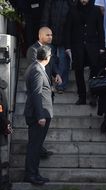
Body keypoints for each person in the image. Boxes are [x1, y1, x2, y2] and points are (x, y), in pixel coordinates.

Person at [26, 27, 61, 159]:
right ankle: (35, 156)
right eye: (48, 35)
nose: (50, 37)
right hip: (40, 95)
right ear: (40, 35)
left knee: (40, 133)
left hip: (47, 96)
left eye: (51, 35)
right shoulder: (33, 50)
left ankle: (39, 149)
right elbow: (36, 70)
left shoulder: (49, 50)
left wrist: (56, 74)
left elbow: (51, 64)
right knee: (35, 136)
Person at [23, 46, 54, 186]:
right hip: (38, 114)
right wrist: (40, 116)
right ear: (47, 57)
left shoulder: (36, 67)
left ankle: (34, 173)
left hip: (39, 113)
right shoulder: (37, 70)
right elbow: (36, 94)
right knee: (34, 146)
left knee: (36, 145)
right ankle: (31, 174)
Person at [65, 0, 105, 106]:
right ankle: (81, 96)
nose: (83, 0)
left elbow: (100, 29)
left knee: (94, 69)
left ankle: (93, 95)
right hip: (77, 46)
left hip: (93, 46)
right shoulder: (72, 10)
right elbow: (68, 29)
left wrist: (102, 46)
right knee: (78, 71)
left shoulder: (96, 10)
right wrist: (68, 47)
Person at [40, 0, 75, 94]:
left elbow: (74, 16)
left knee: (64, 60)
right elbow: (45, 16)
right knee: (50, 60)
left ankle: (61, 85)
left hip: (66, 35)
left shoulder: (71, 2)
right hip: (51, 34)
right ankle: (50, 84)